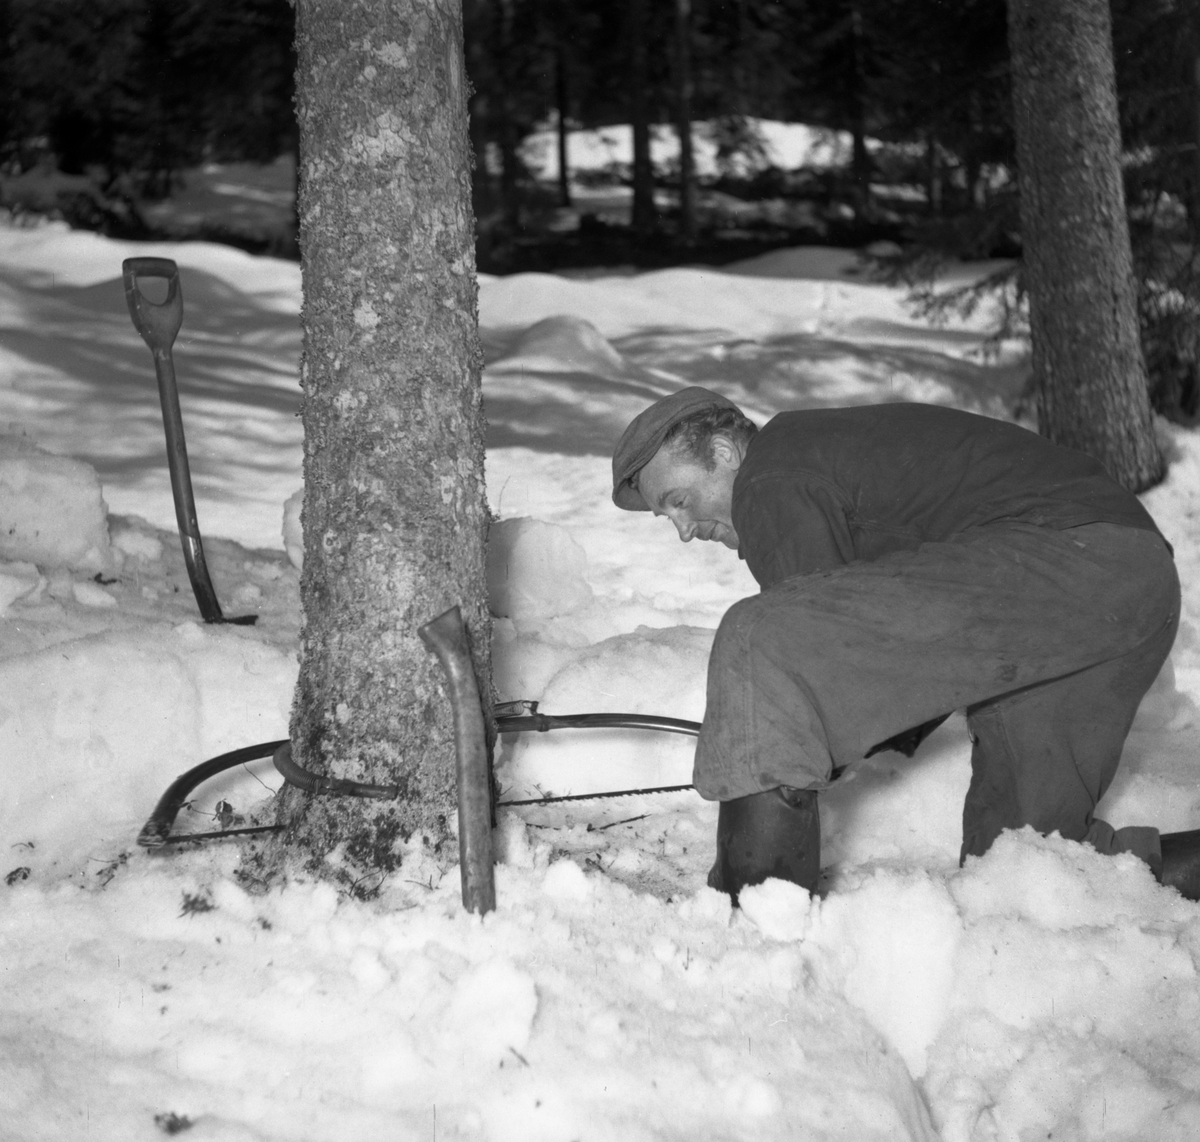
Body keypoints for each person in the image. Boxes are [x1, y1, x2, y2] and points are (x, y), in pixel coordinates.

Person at [611, 386, 1200, 902]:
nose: (685, 531)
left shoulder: (771, 471)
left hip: (1060, 555)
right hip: (1127, 580)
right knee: (1019, 869)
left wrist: (789, 743)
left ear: (723, 452)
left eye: (679, 501)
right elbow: (878, 656)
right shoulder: (822, 455)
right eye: (669, 518)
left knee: (759, 640)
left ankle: (755, 923)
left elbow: (803, 650)